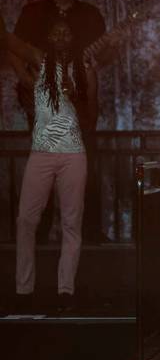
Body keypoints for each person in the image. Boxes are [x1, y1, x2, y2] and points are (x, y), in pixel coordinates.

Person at [1, 17, 97, 314]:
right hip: (41, 152)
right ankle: (24, 289)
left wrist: (78, 89)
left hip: (73, 154)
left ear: (72, 38)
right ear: (48, 39)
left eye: (65, 31)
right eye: (54, 31)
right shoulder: (40, 65)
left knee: (71, 223)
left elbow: (92, 114)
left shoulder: (83, 70)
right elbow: (11, 45)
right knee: (26, 221)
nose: (60, 35)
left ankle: (65, 290)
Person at [11, 0, 107, 243]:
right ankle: (38, 233)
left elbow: (101, 56)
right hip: (42, 102)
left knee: (85, 164)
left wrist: (97, 62)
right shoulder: (33, 13)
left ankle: (89, 232)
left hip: (78, 100)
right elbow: (14, 51)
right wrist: (27, 80)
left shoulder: (89, 14)